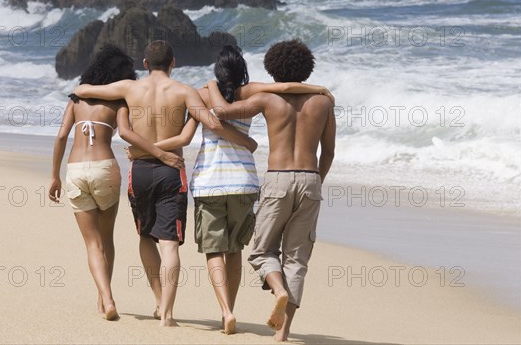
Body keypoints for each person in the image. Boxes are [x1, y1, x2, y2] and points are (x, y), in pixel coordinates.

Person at [126, 45, 329, 334]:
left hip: (210, 181)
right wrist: (318, 88)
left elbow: (186, 134)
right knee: (234, 249)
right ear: (242, 70)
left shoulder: (203, 94)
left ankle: (226, 310)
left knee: (213, 251)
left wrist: (146, 148)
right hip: (244, 180)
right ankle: (230, 313)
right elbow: (283, 87)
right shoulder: (254, 93)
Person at [73, 40, 256, 327]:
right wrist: (246, 141)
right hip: (173, 170)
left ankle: (158, 301)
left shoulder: (128, 88)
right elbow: (212, 123)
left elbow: (82, 90)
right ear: (174, 63)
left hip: (140, 172)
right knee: (169, 245)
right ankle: (168, 314)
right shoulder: (185, 92)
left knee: (146, 237)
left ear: (144, 64)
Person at [207, 39, 336, 341]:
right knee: (296, 259)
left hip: (278, 178)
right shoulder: (323, 102)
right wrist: (318, 180)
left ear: (271, 68)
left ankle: (277, 290)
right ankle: (283, 332)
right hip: (310, 179)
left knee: (262, 251)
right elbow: (328, 151)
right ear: (308, 68)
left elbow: (222, 111)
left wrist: (212, 84)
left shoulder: (267, 100)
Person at [48, 45, 183, 321]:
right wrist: (157, 152)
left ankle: (106, 298)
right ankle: (104, 297)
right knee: (107, 238)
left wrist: (54, 175)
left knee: (92, 244)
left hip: (75, 170)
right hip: (105, 169)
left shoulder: (76, 100)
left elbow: (62, 136)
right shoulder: (117, 102)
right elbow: (126, 132)